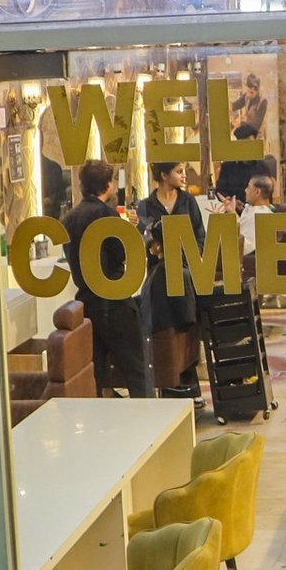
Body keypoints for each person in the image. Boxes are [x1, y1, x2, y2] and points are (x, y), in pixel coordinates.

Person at [62, 159, 151, 398]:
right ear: (108, 185)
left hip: (86, 303)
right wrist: (132, 231)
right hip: (114, 300)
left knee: (95, 373)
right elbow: (122, 252)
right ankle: (148, 416)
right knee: (136, 369)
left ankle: (100, 418)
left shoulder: (69, 218)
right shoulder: (105, 214)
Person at [139, 160, 205, 401]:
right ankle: (171, 381)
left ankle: (188, 381)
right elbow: (144, 239)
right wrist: (155, 247)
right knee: (166, 329)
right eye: (179, 172)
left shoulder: (188, 202)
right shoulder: (146, 206)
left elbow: (200, 237)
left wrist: (186, 256)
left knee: (185, 328)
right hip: (160, 276)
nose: (184, 175)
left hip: (186, 271)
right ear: (164, 175)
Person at [213, 122, 268, 201]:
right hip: (233, 207)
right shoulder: (227, 166)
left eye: (250, 144)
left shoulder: (262, 168)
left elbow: (267, 195)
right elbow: (220, 191)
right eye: (243, 144)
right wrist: (230, 200)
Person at [230, 72, 268, 137]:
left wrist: (241, 122)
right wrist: (228, 106)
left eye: (252, 91)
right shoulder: (246, 95)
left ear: (257, 89)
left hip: (257, 135)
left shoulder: (263, 102)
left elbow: (256, 124)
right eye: (248, 88)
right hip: (247, 131)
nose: (249, 92)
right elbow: (235, 105)